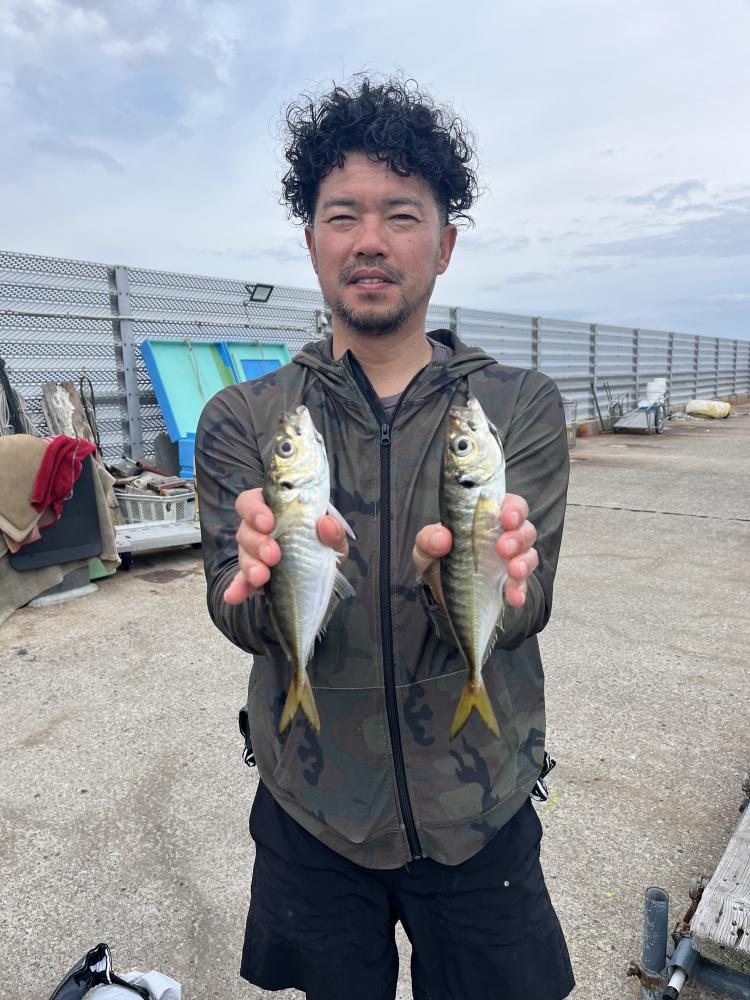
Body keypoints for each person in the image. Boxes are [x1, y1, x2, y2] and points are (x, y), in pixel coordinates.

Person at [195, 75, 574, 1000]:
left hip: (479, 805)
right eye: (343, 215)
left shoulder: (517, 405)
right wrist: (255, 588)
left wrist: (488, 582)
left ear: (444, 244)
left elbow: (527, 606)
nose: (370, 240)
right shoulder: (245, 417)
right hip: (311, 808)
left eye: (401, 215)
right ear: (311, 240)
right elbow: (233, 610)